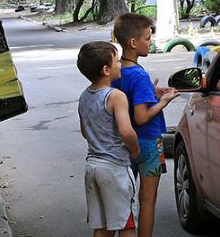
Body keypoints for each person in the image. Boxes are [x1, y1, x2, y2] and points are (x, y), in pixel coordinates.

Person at [111, 14, 180, 237]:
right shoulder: (139, 75)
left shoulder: (114, 71)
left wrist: (151, 92)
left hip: (123, 144)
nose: (151, 42)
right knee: (147, 201)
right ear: (133, 42)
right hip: (148, 143)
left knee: (125, 199)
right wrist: (162, 102)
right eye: (148, 38)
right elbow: (141, 117)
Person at [77, 42, 142, 237]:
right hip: (115, 168)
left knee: (103, 226)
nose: (121, 64)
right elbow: (127, 132)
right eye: (117, 61)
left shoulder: (84, 96)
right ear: (106, 69)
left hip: (92, 167)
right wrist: (135, 150)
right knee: (126, 223)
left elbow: (84, 131)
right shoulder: (116, 96)